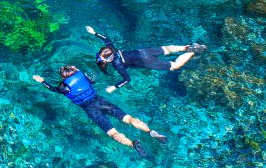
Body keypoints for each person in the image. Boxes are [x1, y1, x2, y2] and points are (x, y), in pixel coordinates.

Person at [32, 66, 166, 158]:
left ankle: (132, 144)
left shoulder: (64, 87)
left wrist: (42, 81)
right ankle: (150, 132)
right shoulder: (82, 76)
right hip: (101, 102)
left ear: (63, 77)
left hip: (90, 109)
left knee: (113, 133)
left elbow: (53, 89)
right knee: (128, 118)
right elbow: (93, 80)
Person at [85, 26, 207, 93]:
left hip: (146, 62)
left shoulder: (117, 64)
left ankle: (192, 51)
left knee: (175, 65)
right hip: (143, 51)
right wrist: (94, 33)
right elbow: (106, 38)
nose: (99, 59)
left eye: (100, 58)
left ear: (108, 59)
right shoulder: (111, 48)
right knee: (166, 49)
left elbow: (127, 79)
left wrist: (114, 87)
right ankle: (188, 46)